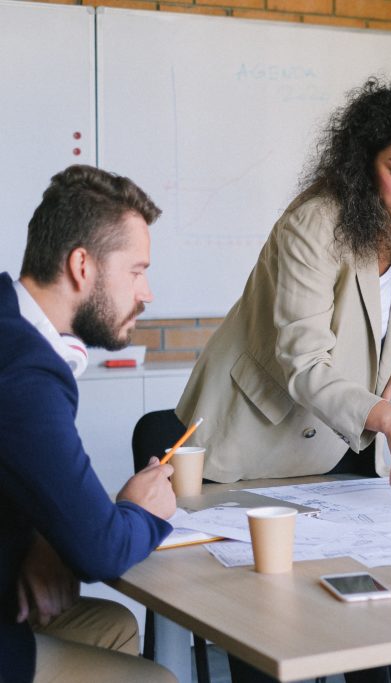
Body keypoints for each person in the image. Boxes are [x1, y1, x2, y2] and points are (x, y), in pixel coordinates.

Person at [176, 75, 391, 497]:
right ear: (366, 158)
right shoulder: (315, 225)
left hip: (333, 442)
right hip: (253, 435)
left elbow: (381, 319)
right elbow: (305, 361)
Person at [0, 165, 177, 683]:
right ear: (83, 265)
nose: (146, 294)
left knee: (114, 625)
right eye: (136, 271)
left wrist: (37, 539)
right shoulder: (26, 372)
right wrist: (142, 510)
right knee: (159, 680)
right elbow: (100, 549)